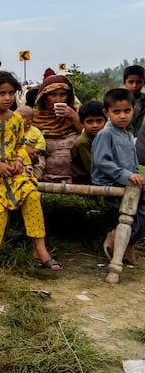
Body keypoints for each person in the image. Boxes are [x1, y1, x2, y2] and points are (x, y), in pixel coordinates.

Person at [0, 71, 62, 277]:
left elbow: (18, 147)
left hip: (12, 170)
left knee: (32, 195)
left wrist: (17, 161)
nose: (7, 98)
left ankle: (39, 250)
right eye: (2, 93)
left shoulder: (16, 120)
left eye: (11, 93)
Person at [92, 89, 144, 266]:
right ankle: (117, 238)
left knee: (142, 212)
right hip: (109, 181)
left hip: (127, 182)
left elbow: (133, 161)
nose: (122, 116)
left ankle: (127, 242)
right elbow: (102, 162)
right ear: (106, 113)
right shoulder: (105, 134)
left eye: (127, 111)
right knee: (138, 210)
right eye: (116, 112)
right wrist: (128, 175)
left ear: (133, 110)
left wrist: (137, 176)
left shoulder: (128, 134)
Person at [32, 73, 83, 182]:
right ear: (43, 97)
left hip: (75, 172)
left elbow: (90, 136)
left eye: (63, 94)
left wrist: (74, 118)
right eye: (53, 95)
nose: (58, 99)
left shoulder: (78, 112)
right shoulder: (34, 118)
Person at [70, 101, 106, 184]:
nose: (95, 125)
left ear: (105, 120)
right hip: (85, 180)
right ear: (82, 123)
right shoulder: (83, 142)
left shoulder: (103, 136)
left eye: (99, 121)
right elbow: (92, 168)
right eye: (89, 122)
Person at [15, 105, 46, 179]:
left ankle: (37, 178)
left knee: (40, 164)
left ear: (28, 123)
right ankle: (26, 175)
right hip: (20, 155)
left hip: (36, 155)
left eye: (19, 118)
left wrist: (34, 151)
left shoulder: (35, 131)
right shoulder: (13, 131)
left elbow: (41, 144)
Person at [123, 64, 145, 133]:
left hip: (138, 138)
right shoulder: (118, 100)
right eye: (131, 82)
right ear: (124, 83)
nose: (135, 85)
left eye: (139, 82)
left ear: (144, 82)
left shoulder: (143, 99)